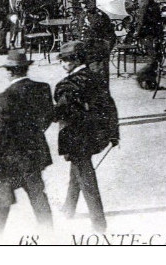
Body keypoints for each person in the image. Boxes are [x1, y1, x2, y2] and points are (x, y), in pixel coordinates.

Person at [0, 51, 54, 233]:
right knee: (38, 197)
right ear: (25, 69)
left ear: (9, 72)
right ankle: (50, 238)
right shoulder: (43, 89)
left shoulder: (4, 98)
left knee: (1, 202)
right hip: (34, 153)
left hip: (10, 159)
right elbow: (47, 118)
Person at [54, 42, 119, 232]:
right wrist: (114, 134)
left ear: (75, 60)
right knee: (78, 170)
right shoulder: (96, 77)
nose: (62, 64)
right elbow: (110, 106)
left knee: (85, 176)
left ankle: (99, 223)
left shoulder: (68, 85)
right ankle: (68, 208)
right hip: (96, 134)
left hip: (76, 136)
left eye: (65, 60)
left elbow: (63, 112)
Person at [127, 0, 164, 89]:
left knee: (157, 58)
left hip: (154, 33)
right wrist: (137, 33)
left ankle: (151, 83)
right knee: (154, 58)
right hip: (147, 34)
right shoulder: (146, 2)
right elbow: (141, 19)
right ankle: (140, 76)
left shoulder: (151, 2)